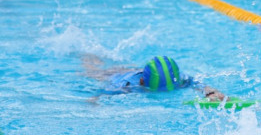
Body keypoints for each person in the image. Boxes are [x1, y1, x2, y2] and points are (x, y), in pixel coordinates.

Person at [84, 54, 227, 100]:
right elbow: (99, 94)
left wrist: (210, 92)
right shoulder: (126, 85)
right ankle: (88, 57)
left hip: (137, 71)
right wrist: (94, 102)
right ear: (141, 82)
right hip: (116, 74)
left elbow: (197, 83)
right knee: (92, 71)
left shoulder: (180, 79)